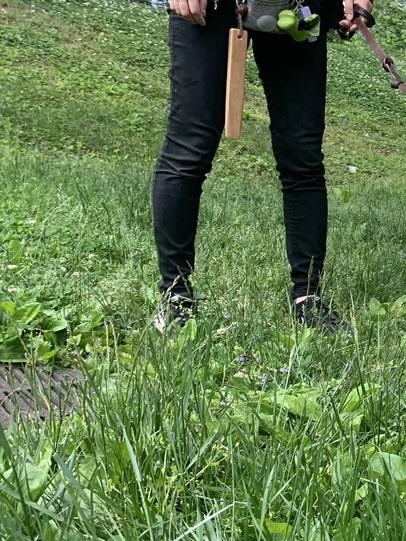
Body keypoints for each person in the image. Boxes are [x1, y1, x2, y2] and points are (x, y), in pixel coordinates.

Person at [152, 0, 372, 332]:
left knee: (303, 156)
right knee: (189, 148)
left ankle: (307, 298)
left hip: (297, 7)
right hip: (210, 8)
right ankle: (175, 296)